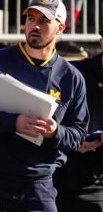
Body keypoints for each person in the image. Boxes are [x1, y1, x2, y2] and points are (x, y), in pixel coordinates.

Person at [0, 0, 89, 212]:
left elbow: (78, 134)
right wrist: (13, 122)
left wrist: (55, 131)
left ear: (60, 28)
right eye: (30, 18)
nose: (34, 26)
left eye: (44, 21)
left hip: (37, 186)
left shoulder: (71, 77)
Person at [53, 32, 103, 211]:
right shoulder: (72, 73)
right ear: (101, 43)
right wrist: (71, 140)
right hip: (56, 172)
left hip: (95, 182)